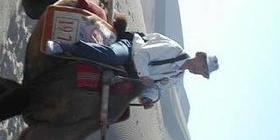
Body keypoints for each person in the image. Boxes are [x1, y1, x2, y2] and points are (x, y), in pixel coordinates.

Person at [45, 31, 218, 107]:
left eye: (203, 72)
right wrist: (144, 74)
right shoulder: (173, 49)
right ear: (199, 56)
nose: (199, 70)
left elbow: (154, 88)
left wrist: (147, 99)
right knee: (111, 56)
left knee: (118, 104)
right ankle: (64, 47)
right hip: (131, 51)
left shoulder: (176, 79)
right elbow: (142, 54)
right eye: (203, 66)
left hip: (133, 74)